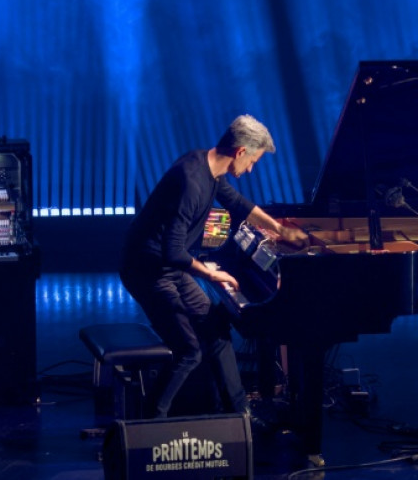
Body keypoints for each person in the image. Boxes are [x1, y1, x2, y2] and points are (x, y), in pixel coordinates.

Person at [119, 114, 309, 421]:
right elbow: (173, 251)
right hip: (147, 269)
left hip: (169, 266)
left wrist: (279, 229)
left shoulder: (209, 167)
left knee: (216, 328)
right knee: (188, 352)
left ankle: (239, 416)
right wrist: (211, 273)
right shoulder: (191, 183)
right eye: (253, 161)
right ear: (240, 152)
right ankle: (148, 426)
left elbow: (237, 203)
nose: (250, 169)